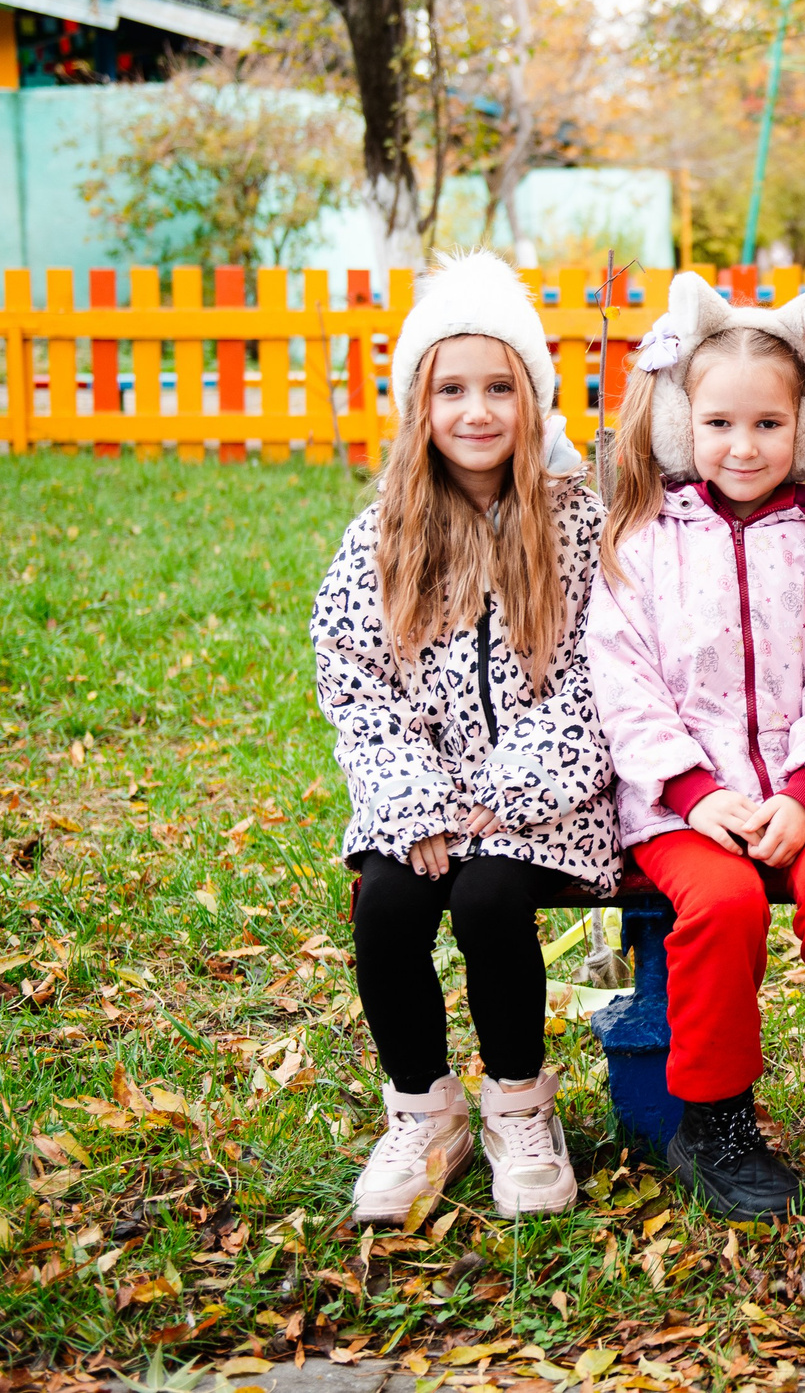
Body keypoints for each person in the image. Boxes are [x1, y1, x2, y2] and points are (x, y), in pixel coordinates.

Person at [584, 272, 805, 1220]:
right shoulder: (641, 543)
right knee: (722, 907)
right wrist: (693, 791)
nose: (745, 445)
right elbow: (624, 681)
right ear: (683, 423)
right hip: (685, 804)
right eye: (720, 422)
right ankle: (714, 1118)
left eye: (769, 423)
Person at [312, 251, 616, 1223]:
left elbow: (603, 668)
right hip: (424, 796)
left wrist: (510, 789)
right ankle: (423, 1108)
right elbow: (354, 675)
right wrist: (416, 801)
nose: (476, 410)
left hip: (548, 798)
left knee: (489, 900)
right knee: (388, 904)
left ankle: (519, 1103)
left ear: (534, 398)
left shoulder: (577, 522)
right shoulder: (385, 531)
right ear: (420, 403)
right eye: (451, 389)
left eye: (499, 387)